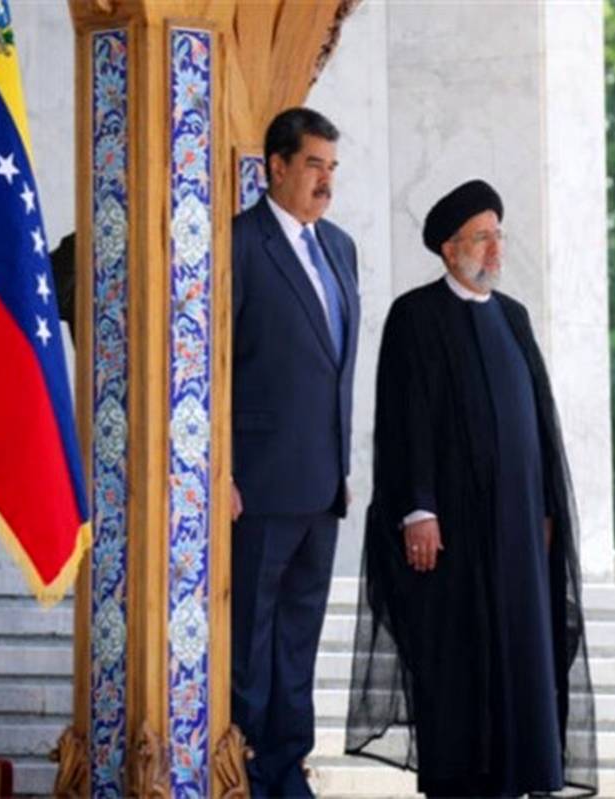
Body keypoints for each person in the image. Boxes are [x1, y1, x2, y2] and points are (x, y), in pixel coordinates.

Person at [346, 180, 598, 797]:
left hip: (518, 534)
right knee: (459, 660)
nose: (494, 250)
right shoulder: (415, 315)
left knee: (521, 657)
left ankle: (519, 776)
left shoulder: (512, 316)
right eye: (482, 238)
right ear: (450, 247)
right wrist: (418, 509)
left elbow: (540, 422)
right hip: (450, 533)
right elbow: (403, 421)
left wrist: (547, 509)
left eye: (497, 236)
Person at [230, 106, 360, 797]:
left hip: (322, 484)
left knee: (298, 638)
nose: (325, 180)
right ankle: (243, 769)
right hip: (257, 484)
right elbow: (213, 364)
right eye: (313, 165)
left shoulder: (340, 247)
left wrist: (342, 465)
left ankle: (287, 771)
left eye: (331, 167)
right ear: (275, 167)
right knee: (251, 638)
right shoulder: (239, 243)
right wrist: (219, 470)